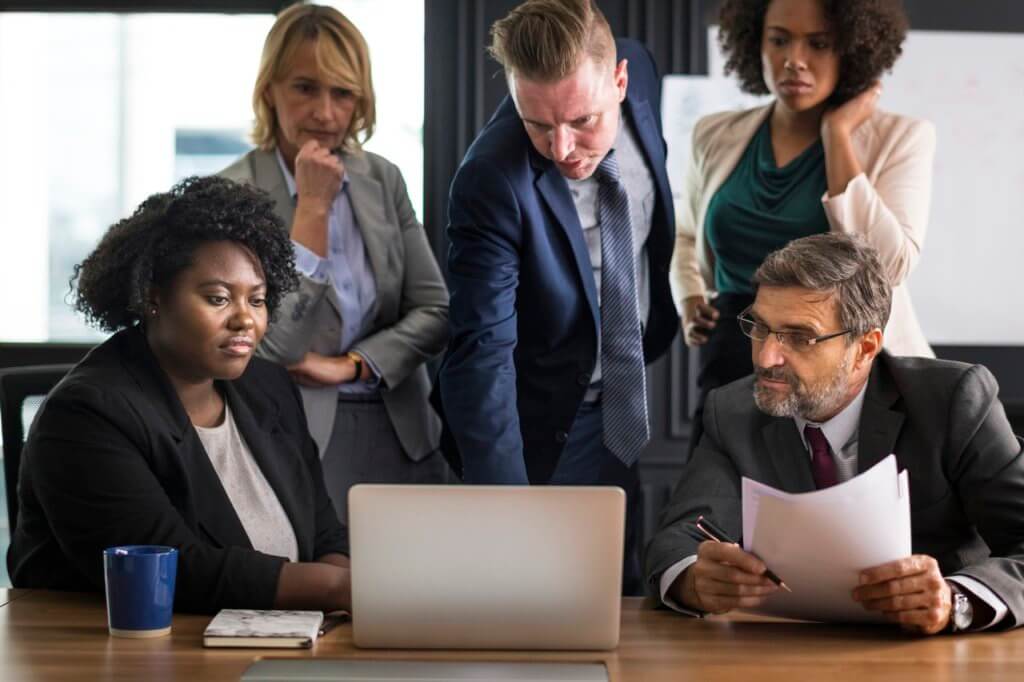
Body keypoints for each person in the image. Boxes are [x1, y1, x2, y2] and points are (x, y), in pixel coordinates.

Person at [645, 233, 1024, 634]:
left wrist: (955, 600)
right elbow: (678, 540)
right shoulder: (733, 410)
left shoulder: (952, 401)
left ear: (865, 347)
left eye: (800, 337)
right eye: (759, 327)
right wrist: (693, 580)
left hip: (932, 653)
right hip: (783, 651)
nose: (766, 357)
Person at [8, 177, 352, 614]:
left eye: (258, 300)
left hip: (276, 641)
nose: (245, 319)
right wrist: (337, 591)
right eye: (218, 298)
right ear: (153, 298)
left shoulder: (270, 388)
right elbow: (175, 570)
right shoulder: (87, 415)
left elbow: (324, 532)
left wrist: (342, 601)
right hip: (115, 655)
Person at [434, 0, 678, 595]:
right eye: (538, 124)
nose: (562, 147)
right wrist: (507, 511)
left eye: (583, 121)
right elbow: (480, 350)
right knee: (531, 600)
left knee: (614, 593)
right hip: (537, 424)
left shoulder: (640, 68)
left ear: (620, 80)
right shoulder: (490, 180)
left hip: (623, 396)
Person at [673, 0, 935, 458]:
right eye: (779, 40)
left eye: (819, 44)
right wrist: (690, 294)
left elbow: (888, 267)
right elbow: (687, 232)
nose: (794, 59)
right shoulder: (714, 134)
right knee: (712, 514)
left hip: (839, 367)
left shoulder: (902, 138)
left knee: (833, 517)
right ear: (754, 42)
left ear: (852, 51)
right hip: (736, 355)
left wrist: (837, 136)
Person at [220, 4, 450, 523]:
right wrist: (314, 208)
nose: (325, 112)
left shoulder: (383, 178)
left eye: (342, 93)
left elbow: (435, 311)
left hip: (404, 431)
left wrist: (352, 364)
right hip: (297, 436)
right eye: (305, 87)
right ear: (270, 89)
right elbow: (274, 344)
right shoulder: (232, 194)